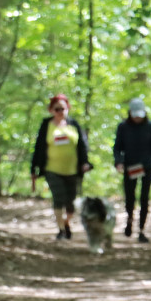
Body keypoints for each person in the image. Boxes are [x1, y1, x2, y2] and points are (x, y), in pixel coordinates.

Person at [30, 94, 92, 240]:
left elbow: (82, 146)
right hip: (52, 170)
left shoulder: (74, 125)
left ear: (67, 109)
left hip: (72, 171)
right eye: (57, 109)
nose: (60, 112)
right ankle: (61, 230)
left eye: (63, 108)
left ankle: (66, 222)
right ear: (51, 110)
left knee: (71, 202)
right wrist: (34, 168)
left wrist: (85, 163)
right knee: (58, 198)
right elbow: (38, 148)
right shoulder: (46, 125)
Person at [113, 98, 151, 243]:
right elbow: (117, 148)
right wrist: (118, 162)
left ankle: (141, 229)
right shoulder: (123, 127)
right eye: (135, 115)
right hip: (130, 166)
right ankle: (129, 220)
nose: (137, 118)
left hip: (146, 166)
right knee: (129, 196)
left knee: (144, 198)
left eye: (139, 115)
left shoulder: (150, 127)